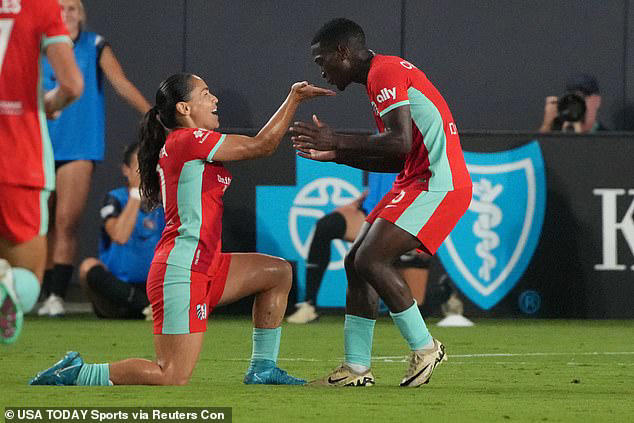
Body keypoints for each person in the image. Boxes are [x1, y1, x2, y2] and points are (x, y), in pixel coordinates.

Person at [29, 73, 334, 386]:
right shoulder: (188, 140)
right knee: (171, 374)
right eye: (205, 93)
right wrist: (294, 98)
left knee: (278, 272)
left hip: (207, 265)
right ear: (184, 109)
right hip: (182, 270)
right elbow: (262, 145)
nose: (215, 99)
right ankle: (77, 373)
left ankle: (263, 369)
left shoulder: (189, 143)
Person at [291, 18, 472, 387]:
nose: (321, 71)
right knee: (355, 262)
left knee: (372, 259)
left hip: (439, 183)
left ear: (343, 51)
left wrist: (335, 139)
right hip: (416, 179)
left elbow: (399, 143)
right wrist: (336, 154)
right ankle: (356, 368)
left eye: (321, 60)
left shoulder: (383, 72)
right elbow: (395, 157)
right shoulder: (381, 74)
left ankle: (425, 347)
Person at [38, 0, 151, 317]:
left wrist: (151, 114)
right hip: (38, 145)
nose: (67, 13)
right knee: (37, 225)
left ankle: (56, 295)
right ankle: (40, 291)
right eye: (61, 8)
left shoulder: (94, 45)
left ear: (81, 13)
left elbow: (120, 82)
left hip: (78, 147)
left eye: (73, 7)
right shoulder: (37, 44)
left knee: (65, 223)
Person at [0, 0, 83, 344]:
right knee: (26, 279)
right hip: (17, 156)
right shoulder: (41, 5)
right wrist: (48, 104)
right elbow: (71, 85)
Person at [287, 171, 432, 324]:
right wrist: (359, 200)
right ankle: (309, 305)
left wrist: (429, 230)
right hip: (372, 212)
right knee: (326, 226)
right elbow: (385, 180)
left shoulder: (420, 150)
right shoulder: (377, 148)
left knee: (415, 311)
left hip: (405, 216)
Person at [78, 143, 164, 319]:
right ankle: (145, 308)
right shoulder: (115, 199)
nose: (145, 171)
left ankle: (149, 307)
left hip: (155, 287)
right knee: (88, 268)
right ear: (126, 170)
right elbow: (120, 236)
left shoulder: (166, 200)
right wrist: (135, 194)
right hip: (119, 291)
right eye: (140, 165)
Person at [539, 73, 607, 134]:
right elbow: (529, 148)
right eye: (573, 97)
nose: (576, 103)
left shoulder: (607, 137)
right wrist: (546, 126)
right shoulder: (556, 134)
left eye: (583, 96)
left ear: (597, 101)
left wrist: (577, 138)